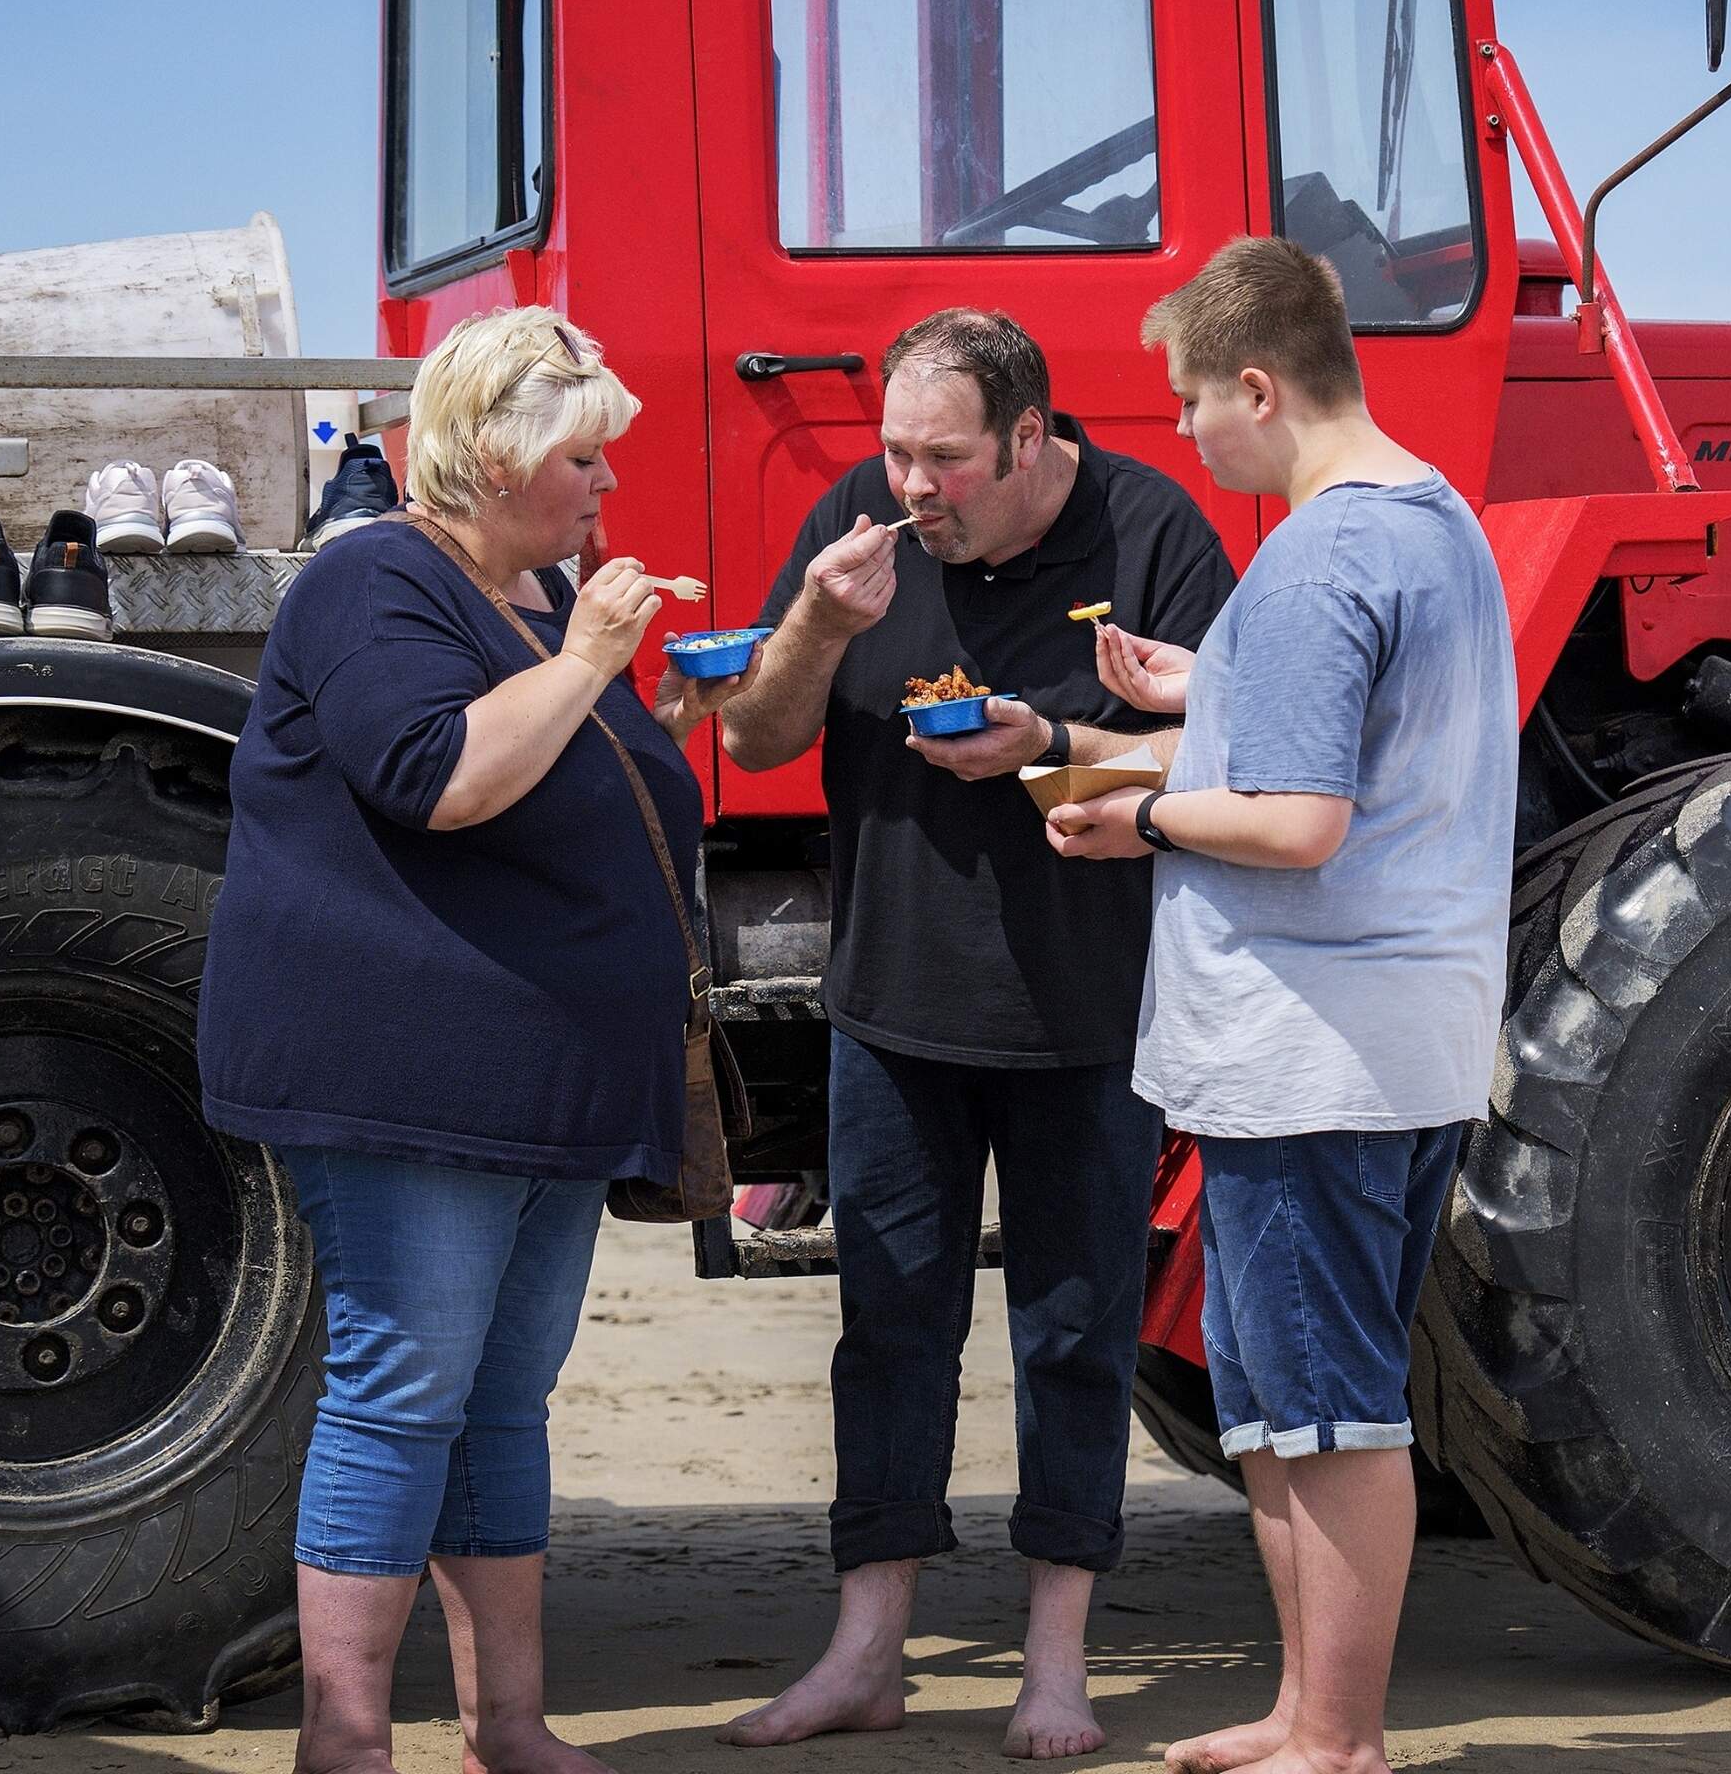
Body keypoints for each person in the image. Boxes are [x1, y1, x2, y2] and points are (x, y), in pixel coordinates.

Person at [196, 305, 738, 1774]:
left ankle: (508, 1722)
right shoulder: (373, 581)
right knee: (403, 1390)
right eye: (582, 462)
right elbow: (434, 779)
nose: (604, 490)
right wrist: (590, 660)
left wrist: (649, 700)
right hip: (412, 1083)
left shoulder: (529, 602)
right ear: (494, 462)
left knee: (501, 1401)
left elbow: (558, 786)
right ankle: (348, 1741)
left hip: (537, 1085)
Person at [717, 310, 1235, 1759]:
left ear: (1031, 438)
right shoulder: (860, 527)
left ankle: (1056, 1662)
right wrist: (823, 618)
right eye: (896, 453)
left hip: (1088, 1016)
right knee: (887, 1328)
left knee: (1075, 1335)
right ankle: (867, 1649)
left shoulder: (1151, 528)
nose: (913, 486)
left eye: (945, 458)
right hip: (893, 1006)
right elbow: (753, 738)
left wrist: (1052, 745)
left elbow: (1243, 747)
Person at [1046, 238, 1516, 1774]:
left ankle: (1340, 1734)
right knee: (1286, 1403)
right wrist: (1210, 685)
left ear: (1259, 385)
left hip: (1312, 1049)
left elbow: (1302, 824)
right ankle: (1310, 1715)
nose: (1184, 433)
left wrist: (1145, 820)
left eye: (1191, 401)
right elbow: (1370, 736)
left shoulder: (1316, 555)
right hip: (1398, 1037)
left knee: (1327, 1410)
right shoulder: (1433, 517)